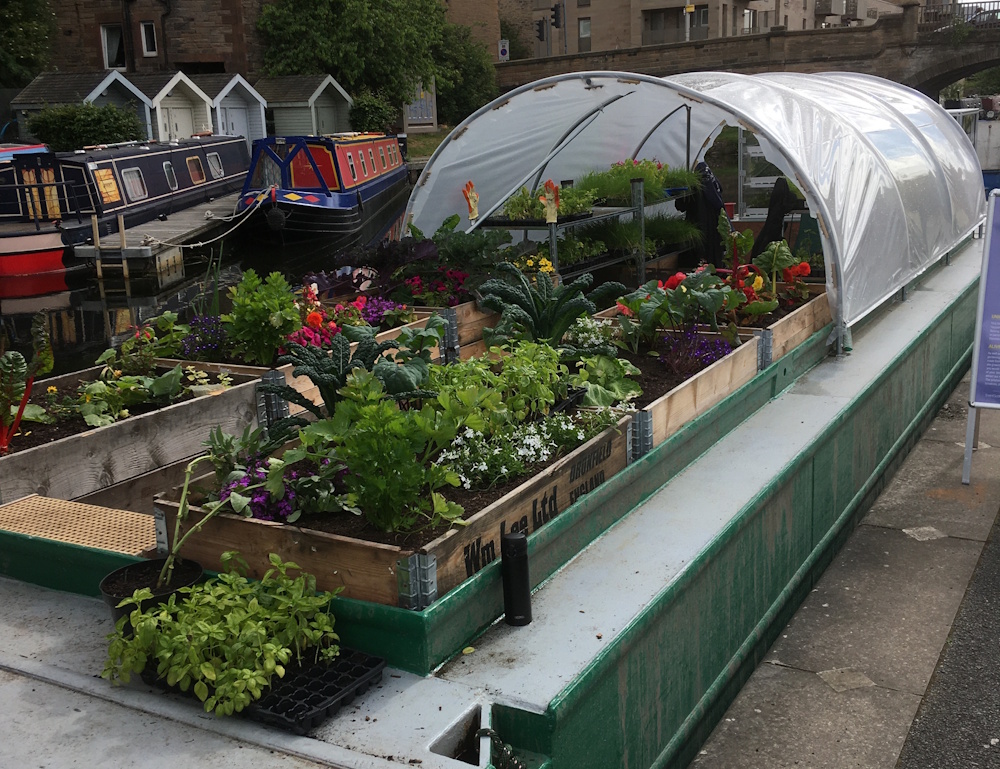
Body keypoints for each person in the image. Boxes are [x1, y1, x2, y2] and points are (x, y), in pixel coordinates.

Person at [675, 161, 727, 268]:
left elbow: (680, 205)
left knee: (701, 260)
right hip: (713, 231)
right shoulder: (712, 182)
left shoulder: (695, 184)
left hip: (700, 228)